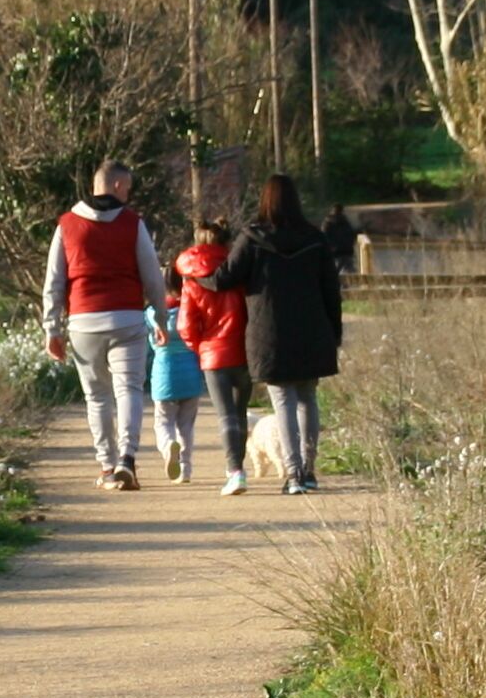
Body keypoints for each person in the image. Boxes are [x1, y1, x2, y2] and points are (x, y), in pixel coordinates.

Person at [207, 172, 345, 494]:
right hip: (312, 331)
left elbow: (224, 278)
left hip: (270, 334)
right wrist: (334, 333)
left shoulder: (252, 238)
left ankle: (293, 473)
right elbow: (331, 289)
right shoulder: (315, 238)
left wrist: (195, 276)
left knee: (282, 400)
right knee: (307, 398)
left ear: (264, 201)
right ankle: (309, 471)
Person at [39, 159, 169, 490]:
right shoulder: (132, 223)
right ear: (115, 186)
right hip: (126, 317)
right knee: (128, 390)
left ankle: (107, 467)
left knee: (96, 397)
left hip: (83, 322)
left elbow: (53, 281)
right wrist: (161, 315)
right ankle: (128, 457)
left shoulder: (66, 225)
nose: (129, 194)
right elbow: (152, 274)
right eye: (127, 187)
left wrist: (52, 329)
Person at [174, 215, 252, 495]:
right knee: (240, 412)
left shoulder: (192, 280)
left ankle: (235, 471)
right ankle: (238, 466)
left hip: (212, 354)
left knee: (225, 416)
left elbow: (185, 324)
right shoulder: (239, 269)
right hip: (243, 349)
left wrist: (200, 347)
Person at [148, 267, 205, 482]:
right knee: (186, 426)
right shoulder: (191, 311)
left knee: (163, 423)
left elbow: (151, 345)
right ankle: (186, 470)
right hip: (191, 376)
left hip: (164, 378)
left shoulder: (152, 314)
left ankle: (167, 447)